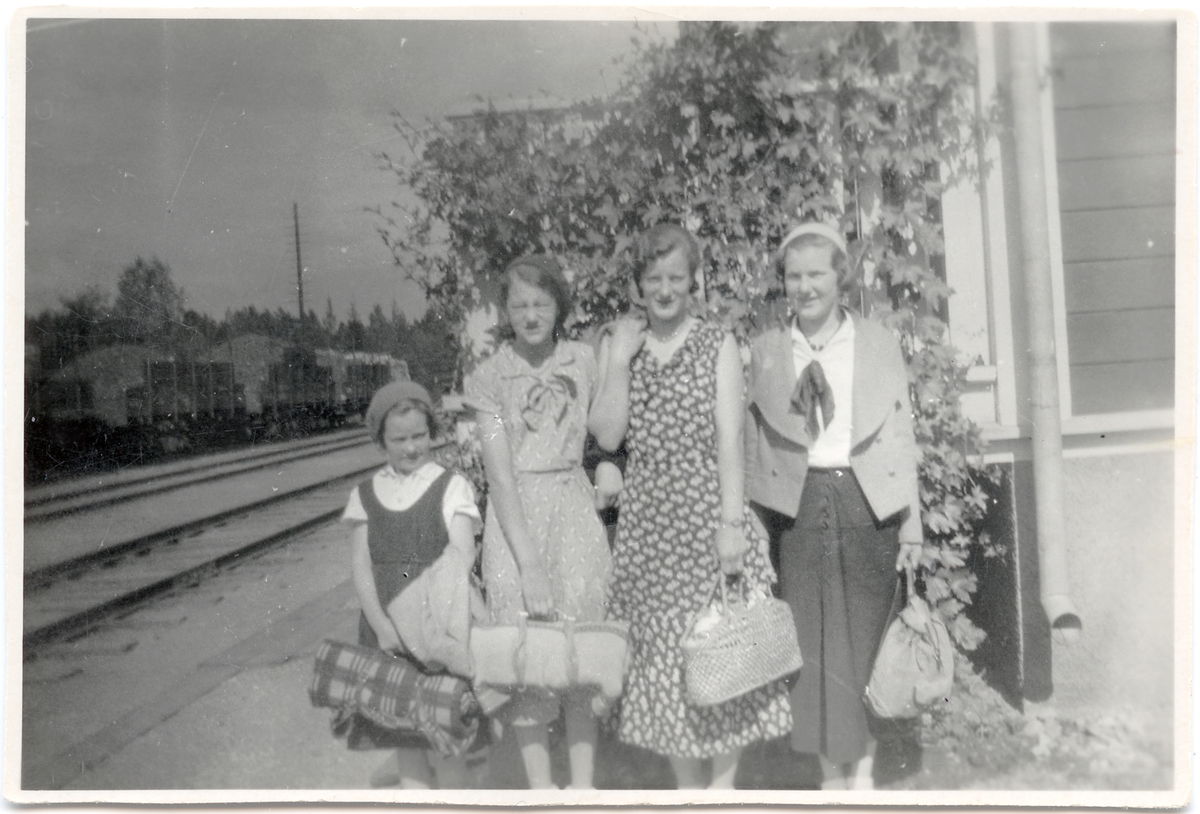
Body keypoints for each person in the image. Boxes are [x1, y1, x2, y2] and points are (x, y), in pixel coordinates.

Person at [590, 223, 791, 790]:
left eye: (676, 278)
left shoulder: (715, 342)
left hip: (707, 513)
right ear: (638, 283)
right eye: (653, 278)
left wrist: (731, 524)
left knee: (726, 647)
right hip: (650, 525)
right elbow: (607, 435)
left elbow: (730, 441)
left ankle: (722, 789)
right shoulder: (619, 344)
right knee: (663, 656)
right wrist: (620, 361)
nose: (664, 289)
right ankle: (686, 789)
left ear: (693, 281)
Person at [744, 222, 924, 790]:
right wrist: (755, 529)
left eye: (816, 274)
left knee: (866, 637)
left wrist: (912, 524)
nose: (805, 287)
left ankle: (863, 772)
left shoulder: (876, 341)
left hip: (867, 501)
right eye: (794, 276)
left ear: (840, 277)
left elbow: (899, 434)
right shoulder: (769, 349)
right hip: (797, 506)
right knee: (811, 643)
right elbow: (756, 444)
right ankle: (827, 775)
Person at [463, 255, 619, 790]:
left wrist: (610, 464)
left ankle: (583, 789)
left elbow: (609, 431)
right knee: (525, 653)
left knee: (581, 649)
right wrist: (529, 565)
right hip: (517, 521)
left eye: (541, 304)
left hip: (573, 509)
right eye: (519, 305)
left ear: (559, 307)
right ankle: (541, 791)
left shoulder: (583, 359)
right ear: (506, 311)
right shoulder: (488, 378)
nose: (531, 316)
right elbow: (500, 477)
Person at [340, 380, 483, 789]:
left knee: (446, 731)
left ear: (432, 433)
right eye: (398, 439)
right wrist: (382, 626)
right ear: (381, 440)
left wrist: (434, 630)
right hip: (387, 629)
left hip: (439, 625)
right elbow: (361, 566)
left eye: (419, 436)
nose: (411, 447)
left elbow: (460, 556)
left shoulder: (450, 486)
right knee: (404, 735)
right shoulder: (366, 493)